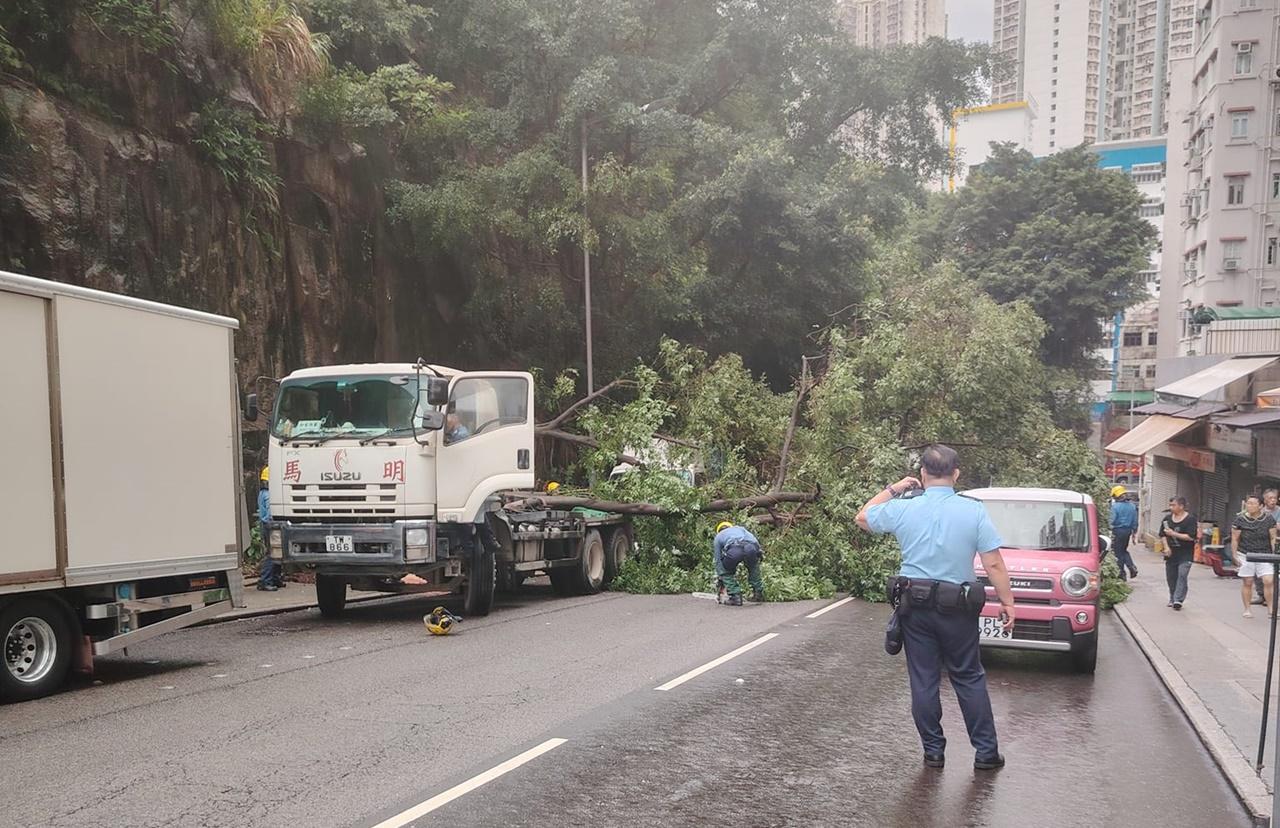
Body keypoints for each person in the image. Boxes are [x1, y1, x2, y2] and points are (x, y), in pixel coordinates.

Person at [856, 445, 1015, 771]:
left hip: (915, 607)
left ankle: (933, 752)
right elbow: (994, 563)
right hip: (958, 608)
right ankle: (985, 753)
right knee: (968, 676)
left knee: (924, 679)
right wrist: (1007, 602)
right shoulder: (973, 511)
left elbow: (862, 517)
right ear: (956, 474)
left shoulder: (904, 508)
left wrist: (895, 488)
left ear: (924, 474)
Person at [1233, 494, 1276, 618]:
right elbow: (1235, 538)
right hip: (1245, 553)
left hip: (1264, 553)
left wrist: (1274, 555)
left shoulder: (1269, 520)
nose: (1250, 506)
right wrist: (1235, 555)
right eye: (1248, 503)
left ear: (1261, 506)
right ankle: (1247, 609)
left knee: (1268, 580)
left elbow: (1273, 538)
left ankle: (1271, 608)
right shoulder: (1239, 520)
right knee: (1248, 581)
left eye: (1253, 503)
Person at [712, 521, 765, 606]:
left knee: (726, 571)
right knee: (753, 566)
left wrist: (721, 574)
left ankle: (735, 596)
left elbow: (718, 559)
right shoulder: (739, 528)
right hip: (750, 547)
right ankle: (758, 593)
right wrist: (759, 552)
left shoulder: (718, 537)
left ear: (719, 530)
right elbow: (754, 540)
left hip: (734, 550)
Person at [1160, 496, 1197, 610]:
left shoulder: (1190, 519)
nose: (1171, 507)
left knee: (1182, 574)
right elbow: (1162, 535)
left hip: (1185, 552)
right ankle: (1172, 596)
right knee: (1171, 577)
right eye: (1170, 505)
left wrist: (1174, 534)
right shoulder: (1167, 519)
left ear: (1181, 506)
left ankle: (1178, 599)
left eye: (1173, 505)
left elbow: (1191, 537)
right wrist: (1166, 547)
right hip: (1171, 553)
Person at [256, 466, 284, 591]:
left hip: (265, 524)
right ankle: (265, 580)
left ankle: (275, 578)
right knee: (272, 553)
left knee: (278, 552)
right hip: (270, 525)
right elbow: (270, 514)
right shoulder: (269, 495)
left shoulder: (262, 494)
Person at [1110, 486, 1138, 580]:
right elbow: (1135, 521)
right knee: (1123, 550)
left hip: (1117, 531)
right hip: (1128, 531)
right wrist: (1134, 532)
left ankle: (1121, 573)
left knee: (1117, 552)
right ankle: (1131, 566)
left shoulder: (1115, 507)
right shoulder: (1132, 506)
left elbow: (1111, 520)